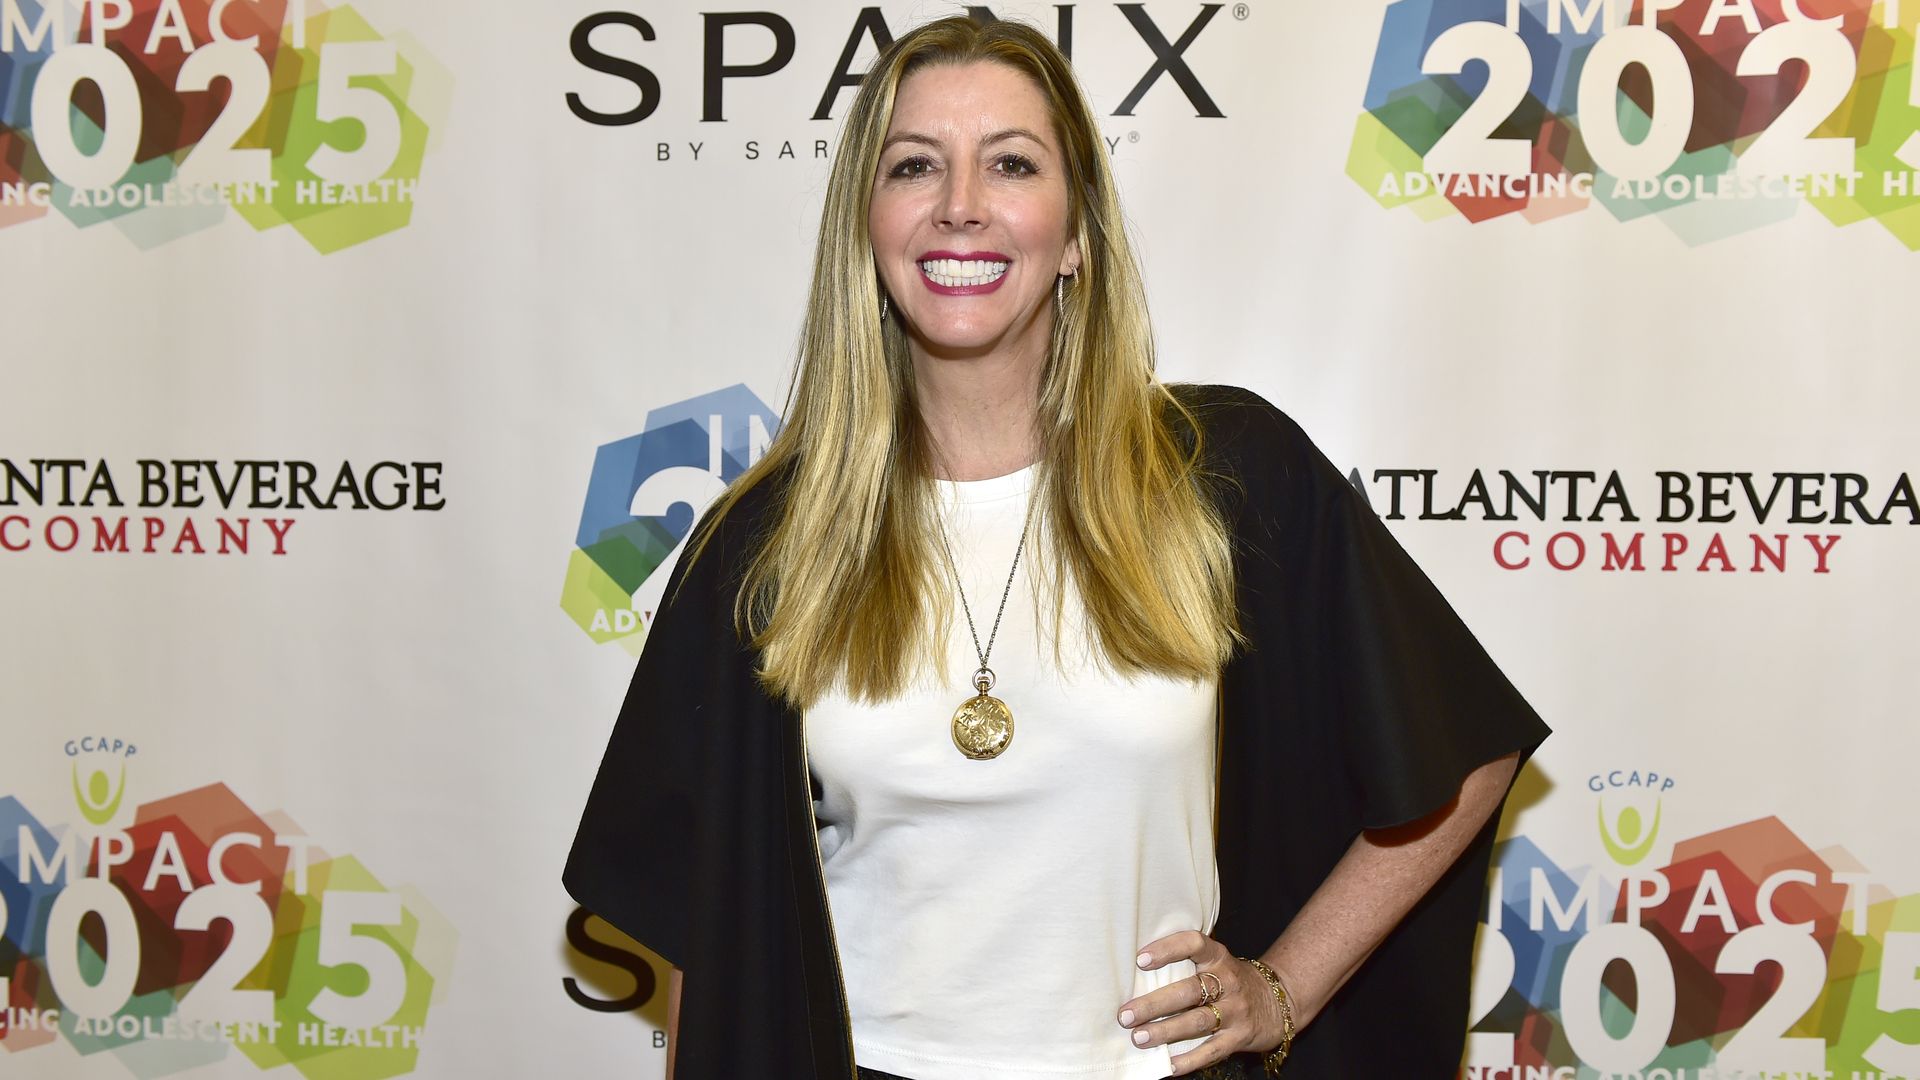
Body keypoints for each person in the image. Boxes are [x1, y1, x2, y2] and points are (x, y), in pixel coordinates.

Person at [566, 14, 1548, 1080]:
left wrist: (1284, 986)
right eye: (914, 167)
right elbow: (711, 932)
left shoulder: (1221, 477)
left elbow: (1463, 745)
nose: (961, 207)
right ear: (868, 224)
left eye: (1013, 164)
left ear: (1076, 229)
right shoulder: (771, 539)